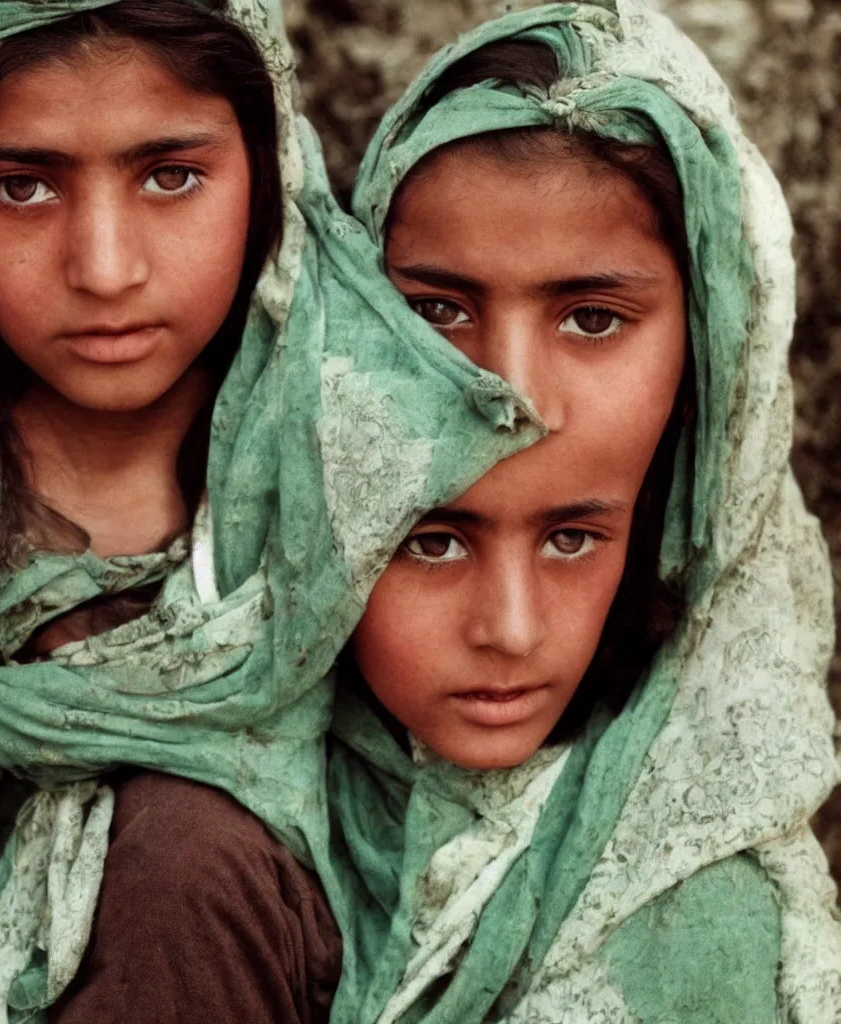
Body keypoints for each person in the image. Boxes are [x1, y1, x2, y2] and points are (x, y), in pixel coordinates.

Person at [0, 1, 541, 1020]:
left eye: (171, 176)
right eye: (21, 186)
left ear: (268, 166)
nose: (105, 268)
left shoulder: (386, 470)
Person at [322, 3, 841, 1022]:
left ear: (710, 351)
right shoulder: (228, 791)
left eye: (590, 317)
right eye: (438, 308)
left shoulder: (708, 923)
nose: (508, 395)